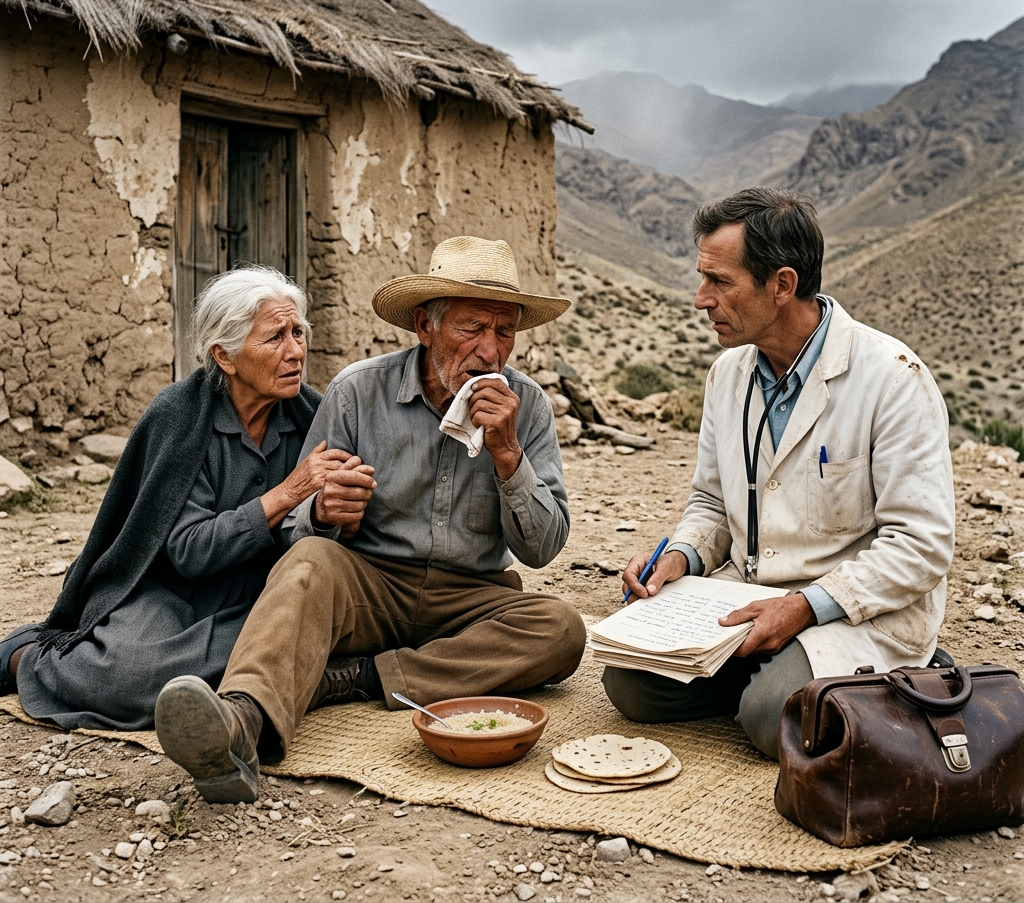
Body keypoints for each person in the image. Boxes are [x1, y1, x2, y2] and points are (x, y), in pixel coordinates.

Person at [153, 236, 587, 803]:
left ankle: (357, 678)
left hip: (472, 597)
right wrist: (325, 513)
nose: (489, 351)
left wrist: (508, 455)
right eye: (471, 328)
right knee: (310, 562)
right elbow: (295, 532)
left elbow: (543, 548)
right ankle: (240, 725)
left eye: (503, 331)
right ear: (423, 326)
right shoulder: (358, 392)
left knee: (561, 629)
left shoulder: (526, 407)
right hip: (371, 585)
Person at [603, 188, 955, 758]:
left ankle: (871, 677)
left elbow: (922, 544)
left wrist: (802, 607)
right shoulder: (728, 375)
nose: (701, 300)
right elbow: (713, 503)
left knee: (773, 719)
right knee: (633, 687)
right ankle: (778, 679)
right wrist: (681, 558)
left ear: (782, 284)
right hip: (752, 596)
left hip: (849, 610)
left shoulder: (892, 378)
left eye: (720, 282)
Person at [0, 266, 336, 730]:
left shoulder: (312, 416)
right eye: (275, 337)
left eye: (298, 332)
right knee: (126, 676)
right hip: (171, 588)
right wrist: (289, 493)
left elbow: (318, 532)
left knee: (310, 642)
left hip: (262, 588)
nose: (296, 351)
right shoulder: (178, 418)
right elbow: (189, 552)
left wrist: (328, 511)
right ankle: (23, 656)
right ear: (226, 356)